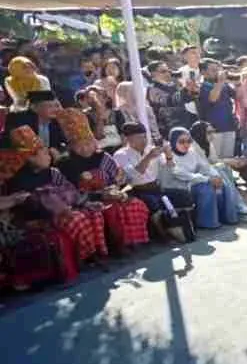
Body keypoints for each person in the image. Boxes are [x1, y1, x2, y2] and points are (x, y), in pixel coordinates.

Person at [53, 109, 150, 253]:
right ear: (71, 146)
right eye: (79, 144)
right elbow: (69, 192)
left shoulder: (103, 157)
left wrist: (117, 191)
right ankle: (110, 249)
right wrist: (97, 197)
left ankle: (132, 241)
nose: (85, 147)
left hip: (111, 193)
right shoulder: (65, 163)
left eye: (88, 142)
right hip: (84, 201)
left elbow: (118, 178)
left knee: (135, 204)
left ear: (94, 141)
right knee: (107, 210)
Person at [5, 136, 107, 263]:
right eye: (45, 154)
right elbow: (29, 206)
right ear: (31, 157)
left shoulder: (52, 172)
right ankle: (83, 257)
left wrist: (86, 203)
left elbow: (71, 191)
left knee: (94, 213)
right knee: (77, 219)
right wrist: (58, 210)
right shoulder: (19, 180)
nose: (49, 156)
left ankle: (97, 251)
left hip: (65, 210)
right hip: (38, 218)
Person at [112, 122, 196, 243]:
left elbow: (170, 167)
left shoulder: (150, 149)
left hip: (156, 187)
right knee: (152, 202)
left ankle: (186, 229)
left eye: (145, 136)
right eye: (140, 137)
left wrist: (168, 155)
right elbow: (134, 175)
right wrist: (148, 157)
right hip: (136, 190)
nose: (144, 140)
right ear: (128, 139)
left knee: (184, 196)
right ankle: (163, 236)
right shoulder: (121, 154)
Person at [162, 127, 240, 230]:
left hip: (195, 181)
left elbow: (205, 166)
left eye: (188, 141)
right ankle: (207, 222)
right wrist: (207, 179)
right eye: (181, 142)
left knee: (222, 184)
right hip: (179, 186)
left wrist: (215, 176)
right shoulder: (168, 157)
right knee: (206, 188)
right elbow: (181, 174)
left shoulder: (191, 152)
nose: (186, 144)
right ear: (173, 141)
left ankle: (226, 217)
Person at [6, 90, 66, 158]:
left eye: (56, 106)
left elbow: (66, 142)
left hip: (49, 160)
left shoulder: (58, 122)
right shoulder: (19, 120)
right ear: (34, 108)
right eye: (50, 106)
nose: (55, 109)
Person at [198, 58, 238, 160]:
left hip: (229, 126)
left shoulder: (224, 85)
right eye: (213, 70)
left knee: (228, 159)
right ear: (203, 72)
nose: (217, 73)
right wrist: (220, 82)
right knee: (215, 161)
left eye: (217, 70)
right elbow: (213, 99)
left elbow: (237, 95)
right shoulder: (202, 86)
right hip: (214, 130)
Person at [146, 60, 195, 138]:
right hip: (169, 129)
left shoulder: (173, 85)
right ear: (153, 73)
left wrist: (191, 90)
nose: (168, 73)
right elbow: (169, 101)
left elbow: (186, 99)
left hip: (184, 124)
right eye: (163, 71)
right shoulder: (152, 89)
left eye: (168, 70)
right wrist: (185, 90)